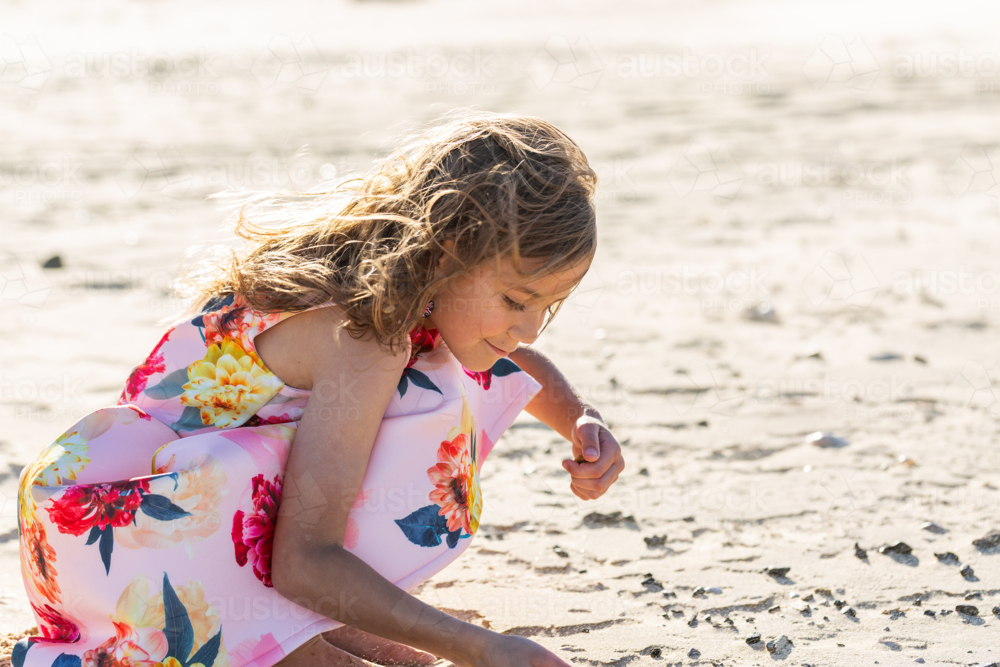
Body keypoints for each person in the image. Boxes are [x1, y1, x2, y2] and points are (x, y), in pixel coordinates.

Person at [15, 109, 625, 667]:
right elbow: (304, 562)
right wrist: (483, 648)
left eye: (547, 306)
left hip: (151, 525)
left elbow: (522, 364)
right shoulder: (359, 339)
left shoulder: (397, 288)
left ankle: (297, 626)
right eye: (516, 301)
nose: (526, 329)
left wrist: (580, 418)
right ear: (447, 251)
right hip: (119, 542)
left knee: (439, 394)